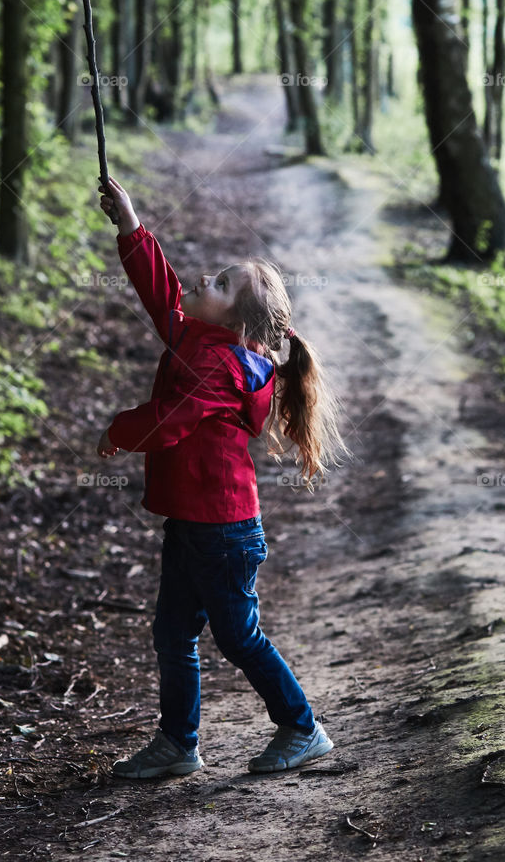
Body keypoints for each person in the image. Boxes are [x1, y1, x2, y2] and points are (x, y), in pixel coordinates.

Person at [96, 176, 347, 779]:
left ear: (238, 325)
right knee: (173, 633)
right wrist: (131, 225)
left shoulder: (222, 368)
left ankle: (302, 728)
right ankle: (179, 744)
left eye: (222, 284)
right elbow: (162, 298)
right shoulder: (204, 338)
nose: (206, 279)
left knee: (239, 638)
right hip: (193, 522)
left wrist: (121, 431)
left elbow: (173, 421)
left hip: (224, 531)